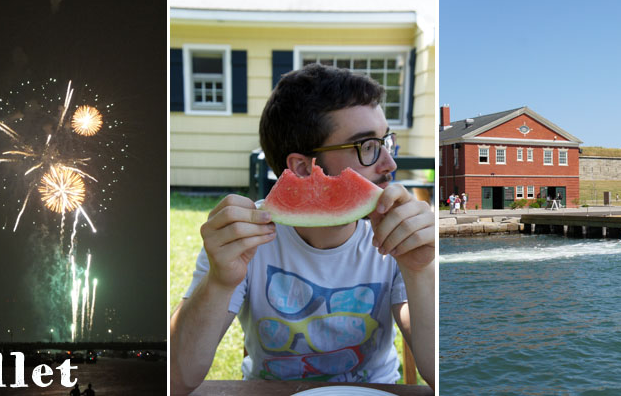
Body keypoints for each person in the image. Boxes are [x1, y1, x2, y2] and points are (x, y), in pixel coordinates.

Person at [170, 64, 434, 394]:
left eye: (386, 141)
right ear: (302, 168)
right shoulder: (243, 237)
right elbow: (176, 380)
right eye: (367, 146)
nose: (390, 164)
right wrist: (220, 282)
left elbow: (439, 376)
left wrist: (421, 270)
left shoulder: (399, 234)